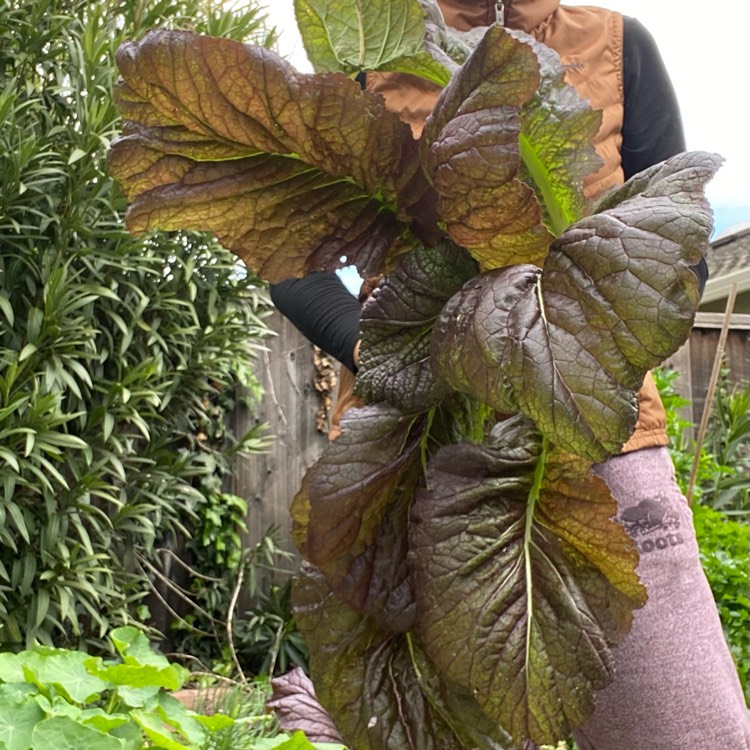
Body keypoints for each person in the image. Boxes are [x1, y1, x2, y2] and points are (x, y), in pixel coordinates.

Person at [271, 1, 750, 747]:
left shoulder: (619, 46)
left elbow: (681, 251)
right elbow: (293, 259)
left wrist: (571, 353)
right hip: (414, 451)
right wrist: (381, 352)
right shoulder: (368, 51)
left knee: (692, 732)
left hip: (599, 449)